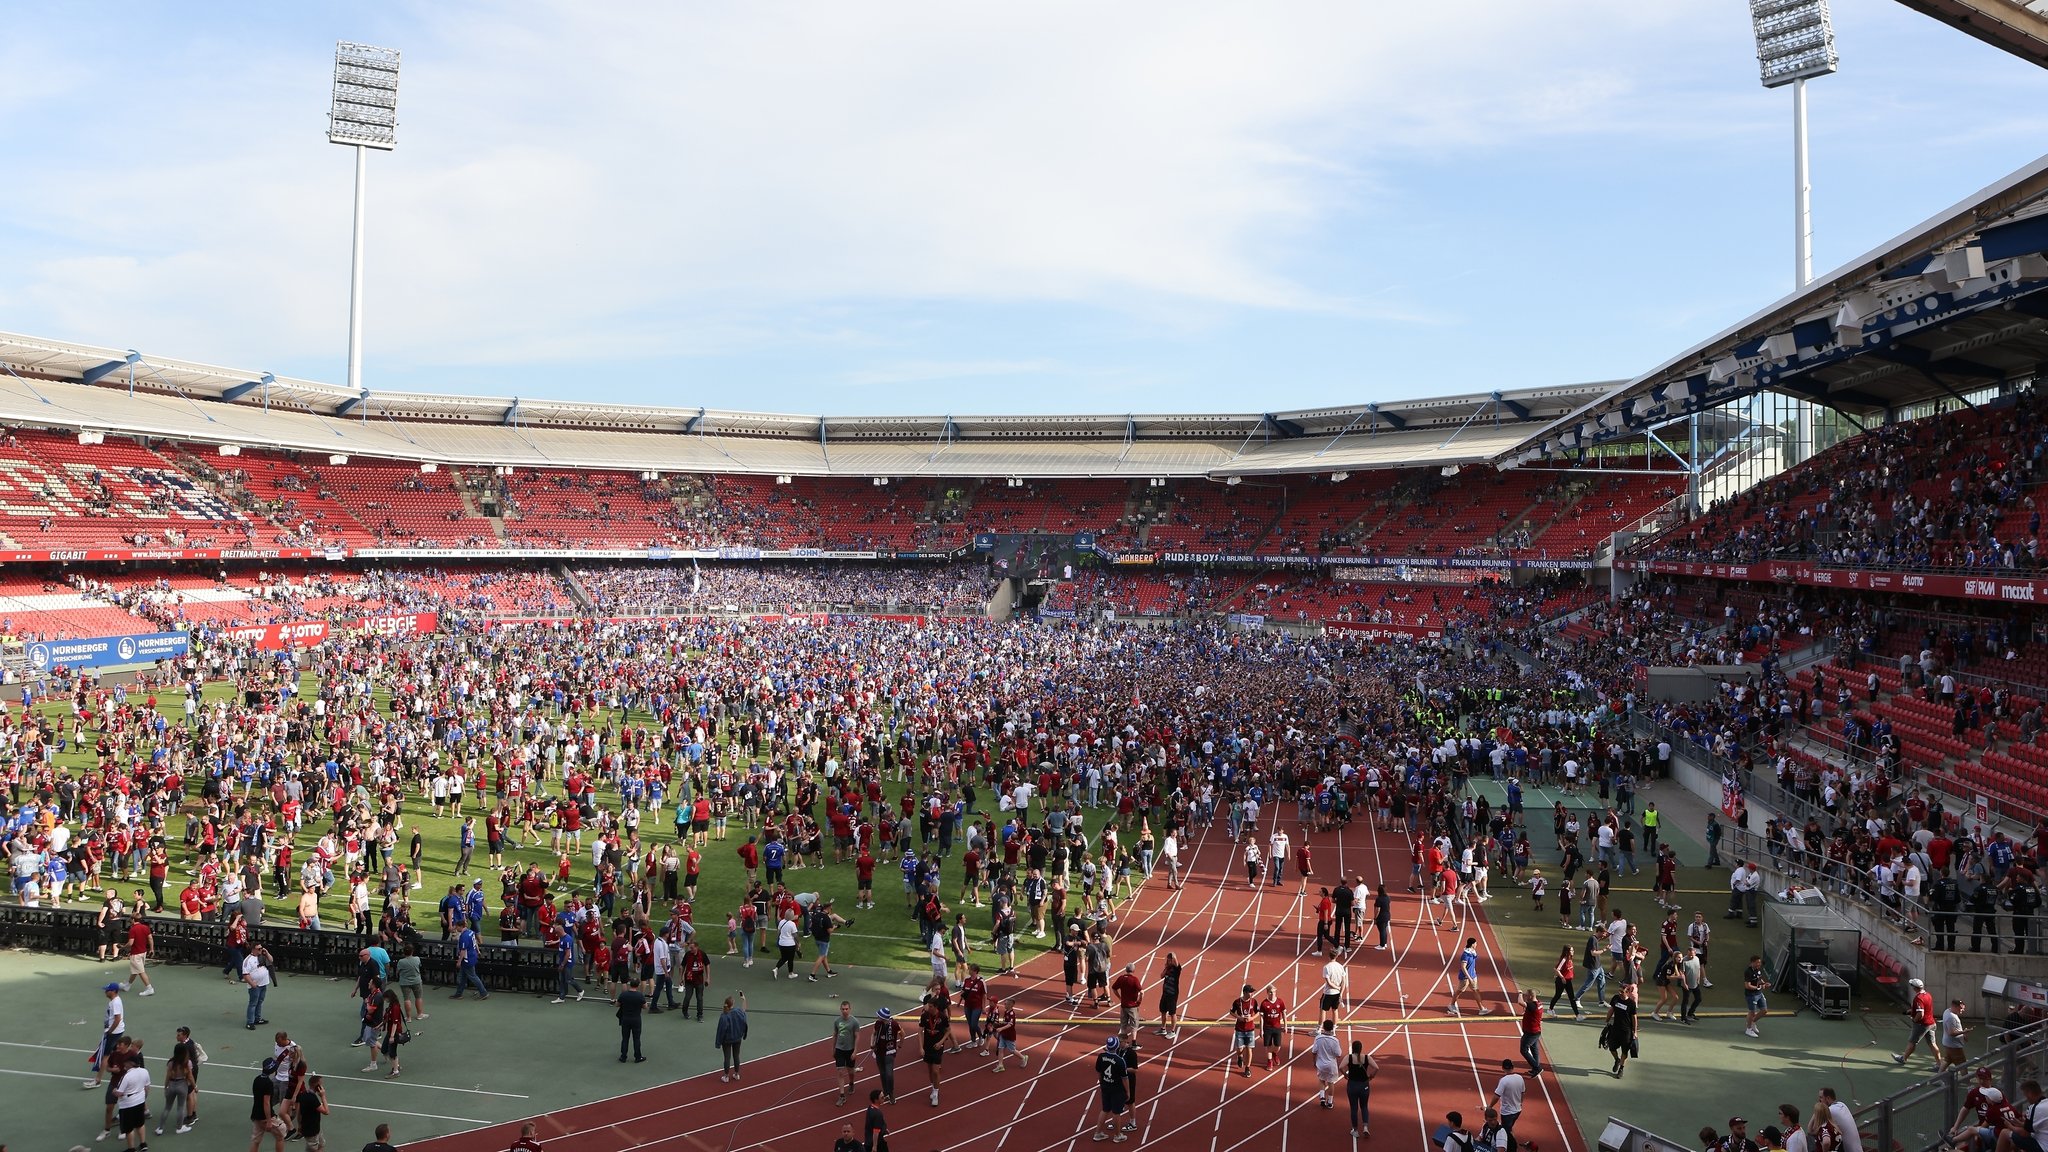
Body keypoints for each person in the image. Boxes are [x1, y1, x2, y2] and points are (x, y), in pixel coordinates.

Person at [159, 1027, 200, 1136]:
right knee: (191, 1093)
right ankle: (193, 1113)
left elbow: (184, 1068)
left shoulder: (184, 1048)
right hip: (190, 1071)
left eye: (179, 1035)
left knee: (189, 1094)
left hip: (188, 1072)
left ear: (185, 1035)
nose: (177, 1036)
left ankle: (190, 1116)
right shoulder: (190, 1042)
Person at [85, 982, 125, 1090]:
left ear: (113, 991)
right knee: (115, 1052)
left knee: (104, 1056)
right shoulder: (114, 1001)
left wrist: (110, 1031)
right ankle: (119, 1068)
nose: (105, 992)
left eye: (107, 990)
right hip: (116, 1031)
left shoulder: (115, 1003)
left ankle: (97, 1080)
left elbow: (117, 1019)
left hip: (113, 1032)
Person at [1092, 1036, 1131, 1143]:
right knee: (1116, 1112)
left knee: (1105, 1109)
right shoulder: (1120, 1061)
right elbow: (1125, 1078)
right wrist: (1128, 1091)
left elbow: (1099, 1072)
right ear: (1117, 1046)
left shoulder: (1101, 1056)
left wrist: (1102, 1082)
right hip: (1116, 1089)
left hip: (1105, 1086)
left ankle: (1098, 1133)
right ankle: (1117, 1135)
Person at [114, 1047, 151, 1152]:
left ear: (130, 1063)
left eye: (125, 1062)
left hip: (127, 1104)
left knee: (129, 1128)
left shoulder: (127, 1076)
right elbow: (147, 1087)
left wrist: (114, 1091)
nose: (124, 1064)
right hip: (140, 1101)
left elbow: (120, 1093)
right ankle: (143, 1144)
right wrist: (143, 1098)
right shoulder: (144, 1071)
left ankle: (131, 1149)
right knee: (140, 1124)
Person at [248, 1057, 286, 1152]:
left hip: (256, 1114)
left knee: (255, 1140)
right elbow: (266, 1103)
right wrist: (269, 1120)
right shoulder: (268, 1083)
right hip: (265, 1117)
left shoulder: (257, 1079)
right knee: (281, 1135)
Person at [1445, 938, 1492, 1016]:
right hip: (1465, 978)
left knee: (1476, 990)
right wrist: (1469, 978)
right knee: (1459, 991)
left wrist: (1474, 971)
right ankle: (1452, 1004)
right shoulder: (1465, 955)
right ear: (1472, 944)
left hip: (1473, 976)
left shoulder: (1473, 952)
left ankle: (1482, 1009)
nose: (1476, 945)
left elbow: (1473, 963)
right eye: (1476, 943)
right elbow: (1463, 967)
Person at [1600, 985, 1639, 1079]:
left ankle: (1621, 1068)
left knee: (1624, 1051)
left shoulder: (1631, 1004)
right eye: (1619, 991)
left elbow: (1634, 1018)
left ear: (1628, 993)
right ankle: (1617, 1060)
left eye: (1622, 992)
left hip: (1626, 1031)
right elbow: (1611, 1010)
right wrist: (1607, 1021)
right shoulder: (1616, 998)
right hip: (1615, 1029)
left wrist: (1635, 1031)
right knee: (1611, 1047)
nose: (1620, 993)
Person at [918, 988, 949, 1106]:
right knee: (930, 1070)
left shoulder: (942, 1017)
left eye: (930, 1006)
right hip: (927, 1046)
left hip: (937, 1047)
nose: (928, 1008)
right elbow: (920, 1032)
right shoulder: (925, 1016)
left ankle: (936, 1093)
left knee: (936, 1071)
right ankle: (933, 1087)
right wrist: (921, 1047)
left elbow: (948, 1030)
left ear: (935, 1007)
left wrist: (941, 1042)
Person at [1344, 1039, 1379, 1139]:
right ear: (1360, 1049)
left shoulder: (1349, 1058)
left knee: (1354, 1108)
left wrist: (1345, 1075)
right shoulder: (1367, 1058)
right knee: (1364, 1106)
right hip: (1364, 1086)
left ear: (1352, 1049)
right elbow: (1377, 1067)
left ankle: (1355, 1130)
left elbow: (1341, 1066)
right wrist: (1372, 1076)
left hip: (1352, 1086)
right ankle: (1365, 1127)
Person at [1896, 978, 1937, 1065]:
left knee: (1912, 1042)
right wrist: (1910, 1011)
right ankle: (1939, 1063)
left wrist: (1914, 1020)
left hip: (1922, 1024)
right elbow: (1924, 1008)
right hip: (1931, 1023)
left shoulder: (1918, 998)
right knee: (1932, 1044)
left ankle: (1903, 1058)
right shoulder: (1928, 995)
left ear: (1914, 987)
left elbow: (1920, 1014)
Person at [1494, 1059, 1528, 1149]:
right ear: (1513, 1067)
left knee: (1505, 1133)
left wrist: (1490, 1106)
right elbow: (1523, 1093)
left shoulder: (1504, 1081)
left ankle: (1512, 1147)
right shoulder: (1520, 1078)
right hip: (1517, 1111)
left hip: (1507, 1113)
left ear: (1502, 1068)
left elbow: (1497, 1096)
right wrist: (1520, 1103)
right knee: (1510, 1127)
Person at [870, 1007, 901, 1104]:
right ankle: (885, 1092)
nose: (877, 1017)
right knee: (882, 1073)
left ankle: (891, 1093)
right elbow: (873, 1034)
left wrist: (900, 1045)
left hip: (889, 1052)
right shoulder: (878, 1024)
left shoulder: (894, 1024)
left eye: (879, 1016)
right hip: (879, 1051)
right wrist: (872, 1043)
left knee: (889, 1074)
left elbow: (902, 1034)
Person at [832, 1001, 860, 1105]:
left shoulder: (854, 1022)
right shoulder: (837, 1021)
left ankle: (851, 1083)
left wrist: (855, 1051)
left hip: (850, 1049)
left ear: (850, 1009)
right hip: (839, 1049)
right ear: (840, 1009)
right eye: (843, 1009)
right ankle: (842, 1095)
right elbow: (835, 1035)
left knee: (850, 1071)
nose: (845, 1011)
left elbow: (857, 1036)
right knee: (840, 1071)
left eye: (846, 1009)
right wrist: (833, 1048)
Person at [716, 992, 749, 1083]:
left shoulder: (724, 1016)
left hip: (727, 1040)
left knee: (727, 1057)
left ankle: (726, 1076)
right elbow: (744, 1009)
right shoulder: (738, 1011)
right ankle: (736, 1074)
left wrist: (718, 1043)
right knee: (736, 1056)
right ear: (732, 1004)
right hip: (737, 1038)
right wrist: (744, 999)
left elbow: (720, 1031)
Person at [1311, 1019, 1343, 1110]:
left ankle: (1322, 1097)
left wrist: (1314, 1062)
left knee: (1321, 1080)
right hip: (1331, 1065)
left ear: (1324, 1028)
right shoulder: (1335, 1040)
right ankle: (1329, 1102)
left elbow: (1314, 1051)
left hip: (1320, 1063)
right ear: (1332, 1028)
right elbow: (1339, 1054)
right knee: (1331, 1082)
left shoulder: (1318, 1038)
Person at [615, 976, 647, 1062]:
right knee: (636, 1038)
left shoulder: (624, 994)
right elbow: (645, 1007)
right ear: (638, 985)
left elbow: (617, 1004)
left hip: (625, 1018)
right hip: (636, 1019)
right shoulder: (639, 995)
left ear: (630, 984)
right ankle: (638, 1057)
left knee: (625, 1038)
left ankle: (623, 1057)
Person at [242, 944, 273, 1030]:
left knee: (260, 1001)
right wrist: (252, 984)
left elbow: (271, 960)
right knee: (253, 1003)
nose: (260, 950)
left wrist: (266, 953)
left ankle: (257, 1018)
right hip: (255, 985)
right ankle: (250, 1022)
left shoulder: (262, 956)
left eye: (261, 948)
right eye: (258, 949)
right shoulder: (248, 960)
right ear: (253, 949)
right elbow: (245, 974)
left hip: (263, 983)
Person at [294, 1075, 329, 1152]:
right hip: (311, 1130)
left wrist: (299, 1125)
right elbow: (326, 1111)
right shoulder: (312, 1099)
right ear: (317, 1086)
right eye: (321, 1084)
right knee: (312, 1149)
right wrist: (323, 1096)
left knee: (321, 1144)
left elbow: (299, 1112)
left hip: (315, 1128)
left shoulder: (303, 1094)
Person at [1517, 988, 1544, 1076]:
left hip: (1530, 1032)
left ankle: (1537, 1067)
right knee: (1534, 1049)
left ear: (1531, 996)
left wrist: (1520, 993)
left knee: (1523, 1050)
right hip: (1536, 1031)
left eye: (1526, 995)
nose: (1525, 996)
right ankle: (1535, 1068)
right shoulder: (1538, 1003)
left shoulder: (1532, 1005)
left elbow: (1520, 1002)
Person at [1155, 951, 1182, 1039]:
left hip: (1172, 994)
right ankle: (1163, 1029)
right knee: (1163, 1011)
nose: (1168, 961)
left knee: (1172, 1013)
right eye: (1167, 960)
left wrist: (1173, 955)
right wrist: (1166, 967)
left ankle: (1173, 1031)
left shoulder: (1177, 969)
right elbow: (1161, 976)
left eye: (1169, 960)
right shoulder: (1168, 969)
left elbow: (1176, 960)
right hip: (1165, 993)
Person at [1940, 998, 1972, 1069]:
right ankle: (1965, 1079)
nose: (1962, 1010)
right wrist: (1964, 1032)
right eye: (1961, 1008)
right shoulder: (1951, 1017)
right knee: (1962, 1064)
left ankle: (1938, 1076)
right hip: (1954, 1046)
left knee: (1948, 1059)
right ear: (1955, 1007)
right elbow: (1951, 1032)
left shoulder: (1947, 1011)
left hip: (1948, 1044)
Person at [1741, 954, 1768, 1039]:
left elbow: (1759, 978)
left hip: (1759, 994)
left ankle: (1752, 1022)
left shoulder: (1758, 970)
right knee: (1752, 1012)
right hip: (1751, 995)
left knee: (1764, 1010)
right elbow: (1747, 985)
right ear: (1752, 962)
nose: (1759, 965)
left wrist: (1764, 984)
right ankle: (1748, 1029)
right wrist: (1757, 987)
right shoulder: (1748, 972)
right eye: (1757, 963)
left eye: (1759, 963)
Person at [1320, 954, 1350, 1026]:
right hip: (1337, 994)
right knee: (1335, 1010)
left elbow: (1329, 982)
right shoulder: (1340, 966)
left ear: (1329, 956)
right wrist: (1341, 993)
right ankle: (1334, 1028)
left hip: (1328, 993)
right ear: (1336, 956)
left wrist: (1337, 988)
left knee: (1323, 1010)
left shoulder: (1326, 967)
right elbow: (1344, 981)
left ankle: (1319, 1028)